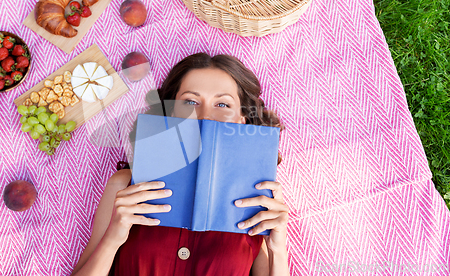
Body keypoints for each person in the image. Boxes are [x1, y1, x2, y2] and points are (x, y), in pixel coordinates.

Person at [70, 53, 290, 276]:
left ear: (241, 119)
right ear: (172, 112)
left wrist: (278, 250)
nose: (205, 116)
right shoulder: (125, 185)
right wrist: (113, 238)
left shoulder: (257, 198)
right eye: (191, 102)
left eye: (222, 104)